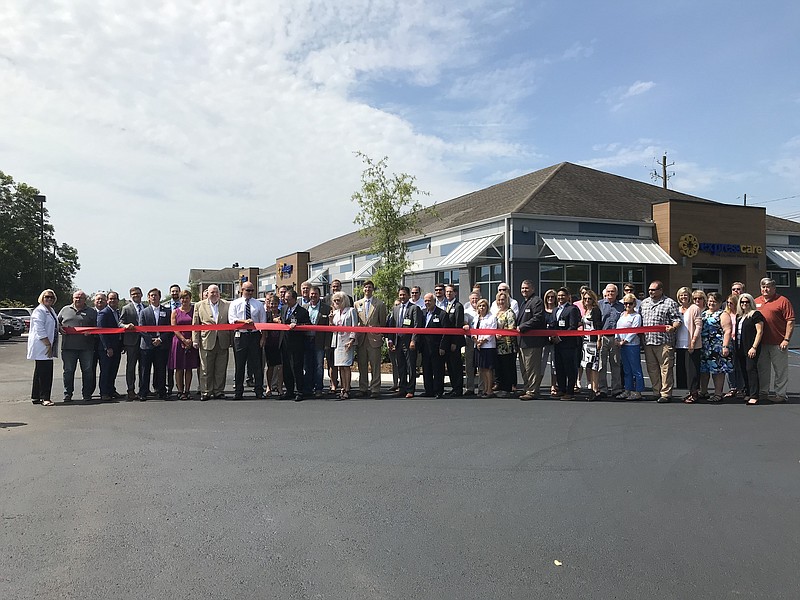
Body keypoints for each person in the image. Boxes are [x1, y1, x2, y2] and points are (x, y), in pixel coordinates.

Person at [640, 280, 682, 403]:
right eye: (649, 290)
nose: (651, 292)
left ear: (660, 290)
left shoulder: (669, 303)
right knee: (652, 368)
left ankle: (666, 393)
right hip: (648, 341)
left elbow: (677, 320)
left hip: (664, 341)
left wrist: (673, 327)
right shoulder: (644, 303)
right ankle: (656, 391)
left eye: (653, 290)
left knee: (666, 368)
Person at [755, 277, 795, 403]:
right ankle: (763, 392)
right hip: (761, 343)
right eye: (763, 287)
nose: (765, 289)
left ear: (774, 288)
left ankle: (781, 394)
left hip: (778, 342)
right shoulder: (756, 301)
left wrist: (786, 339)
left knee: (780, 370)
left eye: (768, 287)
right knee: (762, 369)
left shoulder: (783, 301)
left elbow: (790, 321)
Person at [192, 284, 231, 401]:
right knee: (206, 368)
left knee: (221, 368)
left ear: (219, 293)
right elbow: (195, 324)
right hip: (206, 340)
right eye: (212, 292)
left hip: (223, 340)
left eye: (216, 292)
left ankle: (219, 391)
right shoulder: (199, 305)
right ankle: (206, 391)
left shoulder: (227, 304)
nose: (214, 294)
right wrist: (195, 340)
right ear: (207, 293)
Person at [229, 282, 267, 400]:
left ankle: (259, 390)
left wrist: (263, 337)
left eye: (252, 290)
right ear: (242, 290)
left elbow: (263, 322)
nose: (250, 293)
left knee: (257, 365)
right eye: (248, 290)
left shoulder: (258, 304)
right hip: (241, 336)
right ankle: (238, 391)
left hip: (254, 336)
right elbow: (232, 320)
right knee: (240, 365)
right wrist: (244, 322)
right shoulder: (235, 303)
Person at [57, 290, 98, 401]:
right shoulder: (65, 310)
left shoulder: (92, 311)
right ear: (72, 298)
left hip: (87, 348)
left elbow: (98, 327)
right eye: (76, 297)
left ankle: (87, 394)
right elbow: (56, 322)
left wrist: (91, 332)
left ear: (85, 299)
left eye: (81, 297)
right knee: (68, 371)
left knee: (88, 371)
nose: (78, 299)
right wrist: (59, 328)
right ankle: (68, 394)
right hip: (68, 347)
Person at [386, 286, 423, 398]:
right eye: (400, 295)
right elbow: (392, 325)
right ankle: (402, 388)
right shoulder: (396, 309)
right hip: (398, 342)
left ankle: (410, 389)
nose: (402, 297)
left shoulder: (414, 308)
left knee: (410, 366)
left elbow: (417, 325)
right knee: (400, 366)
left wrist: (413, 340)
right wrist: (391, 339)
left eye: (404, 295)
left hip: (409, 342)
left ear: (408, 295)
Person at [138, 288, 173, 400]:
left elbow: (169, 328)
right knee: (145, 370)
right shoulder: (144, 312)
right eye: (151, 295)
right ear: (148, 297)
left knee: (161, 369)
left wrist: (160, 339)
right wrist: (151, 340)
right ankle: (143, 392)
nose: (154, 297)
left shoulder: (167, 311)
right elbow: (141, 329)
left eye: (156, 295)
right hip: (147, 346)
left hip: (161, 345)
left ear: (160, 297)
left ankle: (161, 391)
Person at [354, 281, 387, 398]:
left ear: (373, 289)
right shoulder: (357, 304)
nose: (367, 289)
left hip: (374, 338)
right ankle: (363, 388)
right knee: (362, 365)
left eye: (370, 287)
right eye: (366, 287)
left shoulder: (380, 304)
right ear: (363, 289)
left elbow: (382, 322)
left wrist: (379, 334)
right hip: (362, 338)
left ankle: (375, 389)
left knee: (375, 365)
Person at [548, 287, 581, 401]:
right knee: (559, 367)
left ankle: (570, 391)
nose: (560, 297)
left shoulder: (572, 309)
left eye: (563, 295)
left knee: (569, 368)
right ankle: (561, 389)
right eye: (559, 295)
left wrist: (560, 338)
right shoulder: (555, 310)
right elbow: (552, 325)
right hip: (556, 344)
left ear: (568, 297)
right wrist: (552, 336)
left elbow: (573, 326)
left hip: (568, 344)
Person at [699, 292, 733, 403]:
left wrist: (725, 346)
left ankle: (718, 393)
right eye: (709, 301)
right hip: (704, 346)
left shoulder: (722, 314)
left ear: (719, 302)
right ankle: (703, 391)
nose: (711, 303)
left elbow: (727, 330)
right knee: (704, 370)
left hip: (717, 346)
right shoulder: (703, 313)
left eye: (714, 301)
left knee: (717, 370)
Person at [28, 289, 59, 406]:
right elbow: (39, 329)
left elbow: (55, 324)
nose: (49, 299)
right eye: (47, 297)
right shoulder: (39, 311)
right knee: (45, 372)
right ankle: (45, 397)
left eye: (51, 297)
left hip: (47, 344)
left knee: (39, 371)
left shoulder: (51, 310)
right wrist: (47, 344)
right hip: (43, 345)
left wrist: (61, 329)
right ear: (42, 297)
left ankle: (36, 396)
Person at [516, 279, 546, 401]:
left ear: (532, 289)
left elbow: (538, 318)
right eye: (522, 288)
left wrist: (523, 327)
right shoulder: (524, 303)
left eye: (526, 288)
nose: (524, 290)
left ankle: (533, 391)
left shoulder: (537, 301)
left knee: (532, 367)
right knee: (524, 367)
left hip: (532, 341)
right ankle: (527, 387)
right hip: (523, 341)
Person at [279, 289, 311, 401]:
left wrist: (298, 325)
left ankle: (299, 391)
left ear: (294, 299)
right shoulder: (283, 309)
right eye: (285, 299)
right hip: (284, 342)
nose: (285, 301)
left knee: (296, 368)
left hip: (296, 344)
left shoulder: (302, 311)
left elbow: (308, 325)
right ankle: (289, 390)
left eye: (288, 299)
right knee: (286, 368)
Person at [169, 289, 199, 400]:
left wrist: (190, 340)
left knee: (189, 368)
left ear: (190, 298)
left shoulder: (194, 311)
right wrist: (183, 340)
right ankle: (180, 391)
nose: (184, 300)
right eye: (182, 298)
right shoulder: (175, 312)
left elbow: (197, 325)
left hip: (191, 341)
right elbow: (174, 328)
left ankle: (187, 390)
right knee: (179, 368)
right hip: (178, 342)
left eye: (186, 297)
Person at [674, 288, 703, 403]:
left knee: (692, 370)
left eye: (685, 295)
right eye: (681, 295)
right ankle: (688, 391)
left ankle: (694, 393)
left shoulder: (694, 308)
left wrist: (693, 341)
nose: (683, 297)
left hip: (691, 343)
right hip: (680, 344)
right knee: (683, 369)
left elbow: (698, 326)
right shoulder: (677, 309)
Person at [735, 293, 764, 405]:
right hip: (740, 348)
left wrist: (754, 347)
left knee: (751, 370)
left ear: (751, 302)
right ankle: (747, 392)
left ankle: (754, 395)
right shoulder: (740, 316)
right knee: (744, 370)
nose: (744, 304)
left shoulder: (755, 315)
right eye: (742, 302)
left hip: (751, 348)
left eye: (746, 302)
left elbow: (759, 332)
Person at [419, 292, 450, 398]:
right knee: (426, 370)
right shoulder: (422, 313)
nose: (427, 302)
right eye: (425, 301)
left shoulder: (442, 314)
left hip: (437, 348)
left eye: (429, 300)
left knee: (438, 370)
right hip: (425, 347)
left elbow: (446, 332)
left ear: (434, 301)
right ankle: (429, 390)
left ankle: (438, 391)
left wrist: (442, 346)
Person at [615, 293, 644, 400]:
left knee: (636, 368)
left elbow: (634, 330)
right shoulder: (622, 315)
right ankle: (628, 389)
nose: (628, 305)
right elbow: (618, 327)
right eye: (626, 303)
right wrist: (617, 338)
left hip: (632, 345)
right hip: (622, 345)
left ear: (634, 304)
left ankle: (638, 391)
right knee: (627, 369)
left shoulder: (636, 316)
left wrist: (625, 341)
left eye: (630, 303)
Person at [597, 284, 624, 399]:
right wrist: (598, 338)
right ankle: (602, 388)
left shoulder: (621, 306)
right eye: (608, 291)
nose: (610, 294)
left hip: (616, 338)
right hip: (603, 337)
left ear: (616, 293)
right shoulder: (599, 305)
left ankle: (616, 389)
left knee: (616, 364)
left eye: (613, 291)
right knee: (601, 365)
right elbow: (597, 323)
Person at [304, 286, 331, 398]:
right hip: (307, 340)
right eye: (311, 294)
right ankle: (308, 388)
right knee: (307, 366)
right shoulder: (304, 307)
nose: (313, 296)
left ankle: (319, 388)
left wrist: (327, 344)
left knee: (319, 366)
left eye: (315, 294)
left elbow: (329, 328)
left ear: (319, 295)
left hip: (320, 341)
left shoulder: (326, 308)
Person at [330, 291, 357, 399]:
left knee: (346, 366)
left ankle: (347, 389)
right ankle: (342, 387)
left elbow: (354, 326)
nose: (336, 302)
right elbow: (332, 328)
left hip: (347, 341)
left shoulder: (351, 311)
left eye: (338, 300)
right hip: (337, 342)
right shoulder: (335, 313)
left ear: (344, 300)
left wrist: (352, 340)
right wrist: (331, 320)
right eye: (335, 300)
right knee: (340, 366)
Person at [120, 286, 145, 401]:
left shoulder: (146, 307)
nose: (136, 295)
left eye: (138, 293)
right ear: (131, 296)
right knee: (131, 367)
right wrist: (125, 326)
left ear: (142, 295)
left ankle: (143, 389)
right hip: (131, 342)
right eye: (134, 294)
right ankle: (130, 390)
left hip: (144, 341)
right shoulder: (126, 308)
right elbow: (119, 322)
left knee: (144, 367)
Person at [97, 291, 123, 401]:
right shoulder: (104, 313)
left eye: (115, 299)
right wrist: (107, 347)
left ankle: (111, 390)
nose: (113, 301)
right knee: (106, 370)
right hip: (107, 348)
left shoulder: (117, 312)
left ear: (118, 300)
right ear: (107, 300)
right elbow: (101, 332)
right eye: (111, 299)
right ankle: (104, 392)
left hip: (117, 346)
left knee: (113, 370)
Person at [472, 298, 498, 398]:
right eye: (480, 306)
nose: (481, 308)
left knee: (488, 369)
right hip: (478, 346)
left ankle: (489, 390)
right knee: (481, 368)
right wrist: (476, 340)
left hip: (488, 346)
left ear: (487, 307)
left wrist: (482, 341)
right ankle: (483, 389)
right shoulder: (476, 318)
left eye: (484, 306)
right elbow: (473, 331)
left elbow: (492, 332)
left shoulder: (492, 318)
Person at [580, 289, 603, 400]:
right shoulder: (586, 311)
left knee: (594, 366)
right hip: (585, 342)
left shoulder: (595, 310)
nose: (587, 300)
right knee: (587, 366)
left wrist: (599, 339)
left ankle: (595, 389)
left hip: (593, 342)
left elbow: (598, 326)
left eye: (589, 298)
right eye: (585, 299)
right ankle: (591, 387)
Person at [443, 285, 465, 397]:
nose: (448, 294)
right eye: (447, 292)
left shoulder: (458, 306)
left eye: (450, 292)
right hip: (447, 341)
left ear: (455, 293)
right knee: (450, 366)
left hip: (454, 342)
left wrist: (454, 342)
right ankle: (453, 387)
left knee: (456, 365)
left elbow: (457, 325)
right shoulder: (446, 305)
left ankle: (458, 388)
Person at [494, 292, 517, 398]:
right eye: (499, 300)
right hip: (497, 345)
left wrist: (501, 334)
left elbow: (511, 328)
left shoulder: (510, 312)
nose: (501, 302)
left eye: (503, 300)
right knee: (500, 367)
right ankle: (501, 386)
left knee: (507, 367)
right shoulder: (497, 313)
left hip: (507, 345)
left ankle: (507, 388)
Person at [723, 294, 745, 400]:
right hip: (729, 343)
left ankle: (740, 388)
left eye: (731, 303)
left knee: (739, 366)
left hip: (739, 343)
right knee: (730, 367)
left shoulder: (740, 314)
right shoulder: (725, 314)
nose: (729, 305)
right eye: (727, 303)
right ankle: (732, 388)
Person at [263, 294, 283, 397]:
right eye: (272, 303)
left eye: (275, 303)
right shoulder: (266, 315)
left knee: (280, 366)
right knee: (270, 366)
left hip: (280, 342)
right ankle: (269, 387)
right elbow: (263, 326)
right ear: (269, 304)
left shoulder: (282, 314)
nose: (273, 306)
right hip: (269, 343)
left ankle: (279, 387)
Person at [165, 284, 182, 397]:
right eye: (173, 291)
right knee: (169, 364)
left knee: (180, 363)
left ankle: (180, 386)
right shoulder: (165, 306)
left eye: (176, 291)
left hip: (180, 338)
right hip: (167, 338)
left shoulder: (185, 306)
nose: (174, 293)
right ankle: (169, 387)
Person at [540, 289, 558, 397]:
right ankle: (538, 384)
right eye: (548, 297)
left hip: (555, 342)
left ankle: (553, 386)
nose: (550, 299)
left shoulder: (557, 310)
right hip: (544, 341)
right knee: (542, 363)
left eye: (552, 297)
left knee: (554, 364)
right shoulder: (542, 311)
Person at [463, 290, 481, 396]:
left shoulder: (484, 309)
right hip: (470, 340)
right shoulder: (467, 311)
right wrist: (465, 325)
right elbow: (465, 322)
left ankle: (482, 388)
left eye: (476, 298)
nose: (474, 300)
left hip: (482, 341)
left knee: (482, 365)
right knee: (469, 365)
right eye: (472, 299)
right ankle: (470, 388)